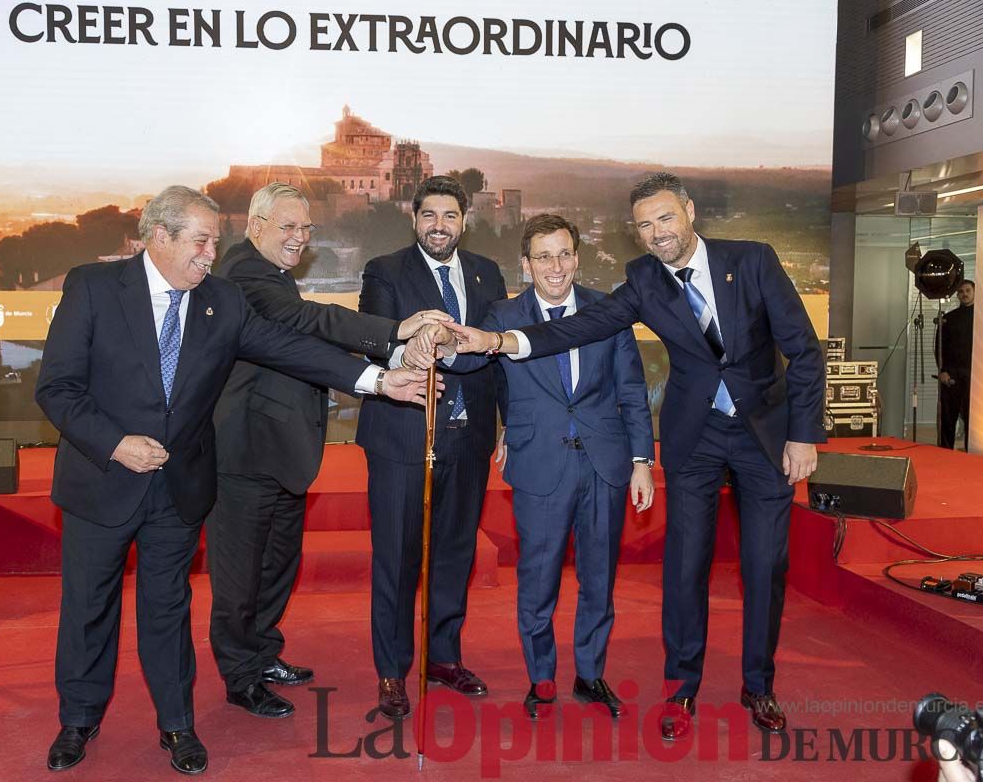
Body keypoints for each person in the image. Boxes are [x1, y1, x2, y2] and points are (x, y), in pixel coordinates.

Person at [35, 185, 434, 774]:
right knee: (89, 608)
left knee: (166, 610)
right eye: (198, 242)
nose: (208, 254)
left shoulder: (220, 300)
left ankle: (177, 725)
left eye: (213, 242)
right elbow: (58, 388)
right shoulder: (92, 289)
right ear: (159, 236)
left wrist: (378, 380)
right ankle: (78, 719)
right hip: (102, 480)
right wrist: (116, 444)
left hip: (179, 485)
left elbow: (290, 349)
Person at [446, 172, 825, 740]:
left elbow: (802, 347)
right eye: (645, 225)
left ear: (689, 211)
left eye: (665, 218)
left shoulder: (752, 260)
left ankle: (758, 685)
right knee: (685, 564)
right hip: (694, 438)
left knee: (765, 566)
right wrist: (499, 341)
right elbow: (582, 327)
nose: (656, 233)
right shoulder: (643, 280)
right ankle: (681, 689)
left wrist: (804, 435)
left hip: (764, 435)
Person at [208, 183, 451, 719]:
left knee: (275, 566)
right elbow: (307, 323)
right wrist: (393, 333)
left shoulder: (273, 275)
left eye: (306, 228)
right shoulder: (245, 273)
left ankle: (264, 653)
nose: (299, 238)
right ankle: (240, 676)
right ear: (256, 227)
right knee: (239, 577)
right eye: (287, 227)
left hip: (283, 452)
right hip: (244, 453)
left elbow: (306, 339)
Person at [469, 214, 656, 719]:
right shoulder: (502, 316)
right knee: (538, 579)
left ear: (577, 256)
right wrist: (441, 342)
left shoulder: (607, 311)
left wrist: (643, 460)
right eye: (543, 256)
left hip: (606, 463)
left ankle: (591, 675)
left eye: (564, 254)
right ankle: (543, 678)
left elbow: (631, 387)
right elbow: (477, 369)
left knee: (599, 579)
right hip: (539, 464)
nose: (556, 266)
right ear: (526, 264)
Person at [356, 175, 508, 720]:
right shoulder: (385, 270)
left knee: (455, 553)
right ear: (413, 219)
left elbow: (500, 350)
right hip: (403, 436)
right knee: (397, 559)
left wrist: (508, 425)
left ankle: (443, 657)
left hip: (470, 438)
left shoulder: (488, 272)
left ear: (463, 220)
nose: (439, 226)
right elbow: (376, 338)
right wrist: (420, 347)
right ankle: (393, 670)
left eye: (449, 216)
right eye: (429, 216)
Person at [935, 279, 974, 450]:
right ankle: (944, 454)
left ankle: (972, 454)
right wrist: (942, 371)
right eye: (961, 291)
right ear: (957, 295)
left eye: (967, 290)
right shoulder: (948, 319)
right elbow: (940, 347)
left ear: (974, 292)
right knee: (948, 418)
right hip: (951, 375)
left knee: (973, 420)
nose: (964, 294)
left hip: (975, 375)